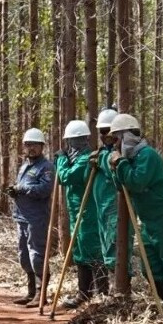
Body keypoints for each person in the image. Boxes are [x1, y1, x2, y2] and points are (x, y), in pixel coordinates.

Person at [107, 113, 163, 304]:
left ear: (127, 136)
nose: (115, 144)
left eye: (117, 138)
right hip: (147, 221)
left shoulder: (148, 155)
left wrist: (120, 163)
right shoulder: (130, 159)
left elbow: (136, 182)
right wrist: (114, 167)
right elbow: (121, 186)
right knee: (151, 267)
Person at [55, 119, 106, 309]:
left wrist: (60, 160)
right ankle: (84, 293)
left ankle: (101, 293)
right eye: (71, 141)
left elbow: (66, 177)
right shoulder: (73, 158)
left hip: (88, 212)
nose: (73, 145)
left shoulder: (86, 158)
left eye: (77, 141)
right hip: (76, 211)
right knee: (79, 251)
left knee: (92, 250)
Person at [7, 128, 54, 307]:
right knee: (24, 256)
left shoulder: (46, 167)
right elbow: (22, 186)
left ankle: (42, 295)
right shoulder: (25, 165)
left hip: (37, 218)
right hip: (21, 216)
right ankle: (31, 292)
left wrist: (23, 189)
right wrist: (15, 190)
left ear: (42, 146)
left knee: (37, 255)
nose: (31, 148)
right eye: (28, 145)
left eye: (35, 145)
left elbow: (44, 190)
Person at [92, 107, 120, 291]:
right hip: (101, 207)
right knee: (103, 248)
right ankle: (104, 291)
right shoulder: (103, 151)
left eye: (108, 131)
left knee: (115, 248)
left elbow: (114, 166)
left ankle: (120, 290)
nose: (105, 135)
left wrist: (102, 159)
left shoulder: (121, 151)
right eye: (102, 132)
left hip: (115, 208)